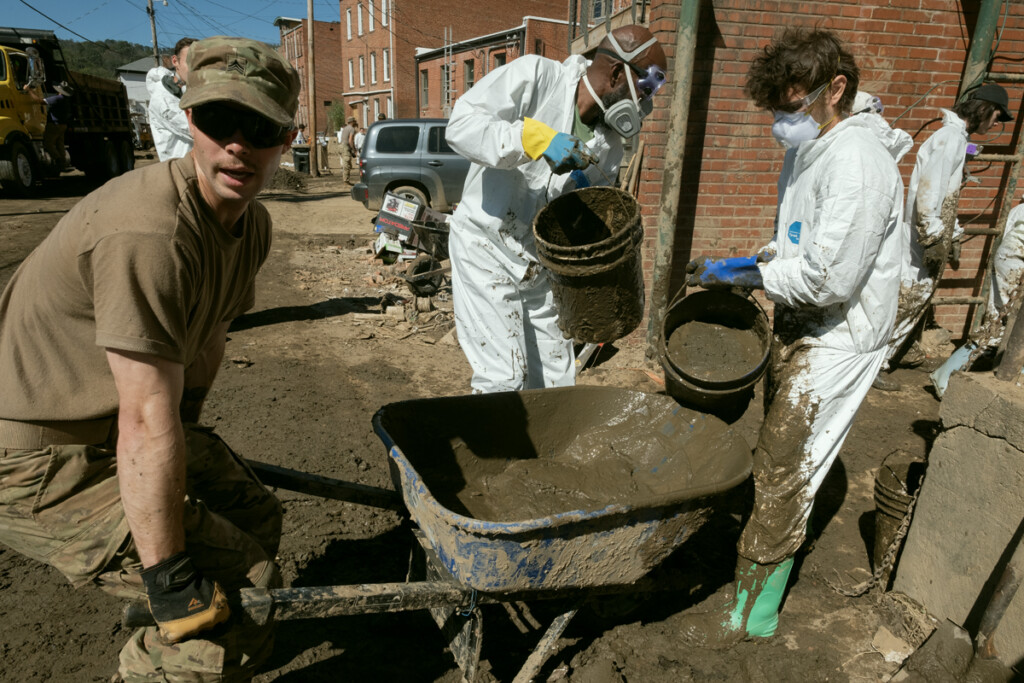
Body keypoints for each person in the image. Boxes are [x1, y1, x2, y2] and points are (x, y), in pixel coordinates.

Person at [0, 36, 300, 681]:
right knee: (228, 598)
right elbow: (142, 415)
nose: (239, 145)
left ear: (287, 137)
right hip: (32, 460)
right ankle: (186, 659)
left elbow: (209, 335)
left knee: (253, 517)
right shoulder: (148, 231)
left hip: (106, 426)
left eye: (261, 127)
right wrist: (168, 579)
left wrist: (186, 438)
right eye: (221, 121)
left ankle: (228, 645)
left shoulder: (251, 225)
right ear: (190, 118)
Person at [681, 28, 905, 645]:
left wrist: (756, 274)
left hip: (839, 336)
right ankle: (760, 558)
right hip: (802, 322)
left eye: (792, 105)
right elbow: (802, 242)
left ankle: (754, 613)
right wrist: (761, 257)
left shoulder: (860, 162)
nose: (782, 120)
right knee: (778, 452)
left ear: (837, 89)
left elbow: (832, 276)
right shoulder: (812, 150)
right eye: (776, 109)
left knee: (787, 466)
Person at [444, 25, 667, 393]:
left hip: (539, 264)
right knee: (505, 378)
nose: (646, 102)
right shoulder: (536, 77)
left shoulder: (609, 143)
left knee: (556, 378)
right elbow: (462, 125)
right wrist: (532, 138)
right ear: (616, 72)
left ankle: (547, 451)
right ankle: (498, 449)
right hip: (485, 246)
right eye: (646, 87)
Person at [874, 83, 1013, 391]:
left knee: (913, 299)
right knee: (909, 299)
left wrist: (951, 232)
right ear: (984, 109)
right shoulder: (949, 138)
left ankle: (878, 360)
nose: (994, 124)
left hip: (929, 234)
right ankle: (874, 365)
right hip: (921, 239)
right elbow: (928, 191)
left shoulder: (955, 139)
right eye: (996, 116)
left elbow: (943, 191)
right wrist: (936, 236)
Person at [930, 196, 1024, 395]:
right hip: (1017, 262)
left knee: (997, 324)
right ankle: (944, 378)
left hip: (1009, 258)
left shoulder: (1020, 209)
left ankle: (943, 377)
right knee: (1003, 326)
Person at [146, 37, 196, 161]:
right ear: (175, 61)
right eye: (190, 62)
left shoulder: (186, 91)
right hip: (180, 171)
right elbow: (196, 130)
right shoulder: (163, 99)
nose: (195, 68)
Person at [23, 80, 75, 171]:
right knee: (60, 145)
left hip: (54, 125)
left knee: (48, 144)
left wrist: (29, 91)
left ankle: (58, 160)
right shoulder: (66, 100)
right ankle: (63, 163)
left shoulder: (58, 98)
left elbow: (40, 101)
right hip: (63, 125)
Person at [339, 116, 358, 183]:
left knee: (348, 164)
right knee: (347, 165)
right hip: (345, 147)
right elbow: (350, 140)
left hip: (341, 147)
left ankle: (346, 179)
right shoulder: (351, 129)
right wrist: (354, 150)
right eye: (354, 121)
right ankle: (346, 180)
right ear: (352, 122)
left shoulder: (345, 128)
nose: (355, 122)